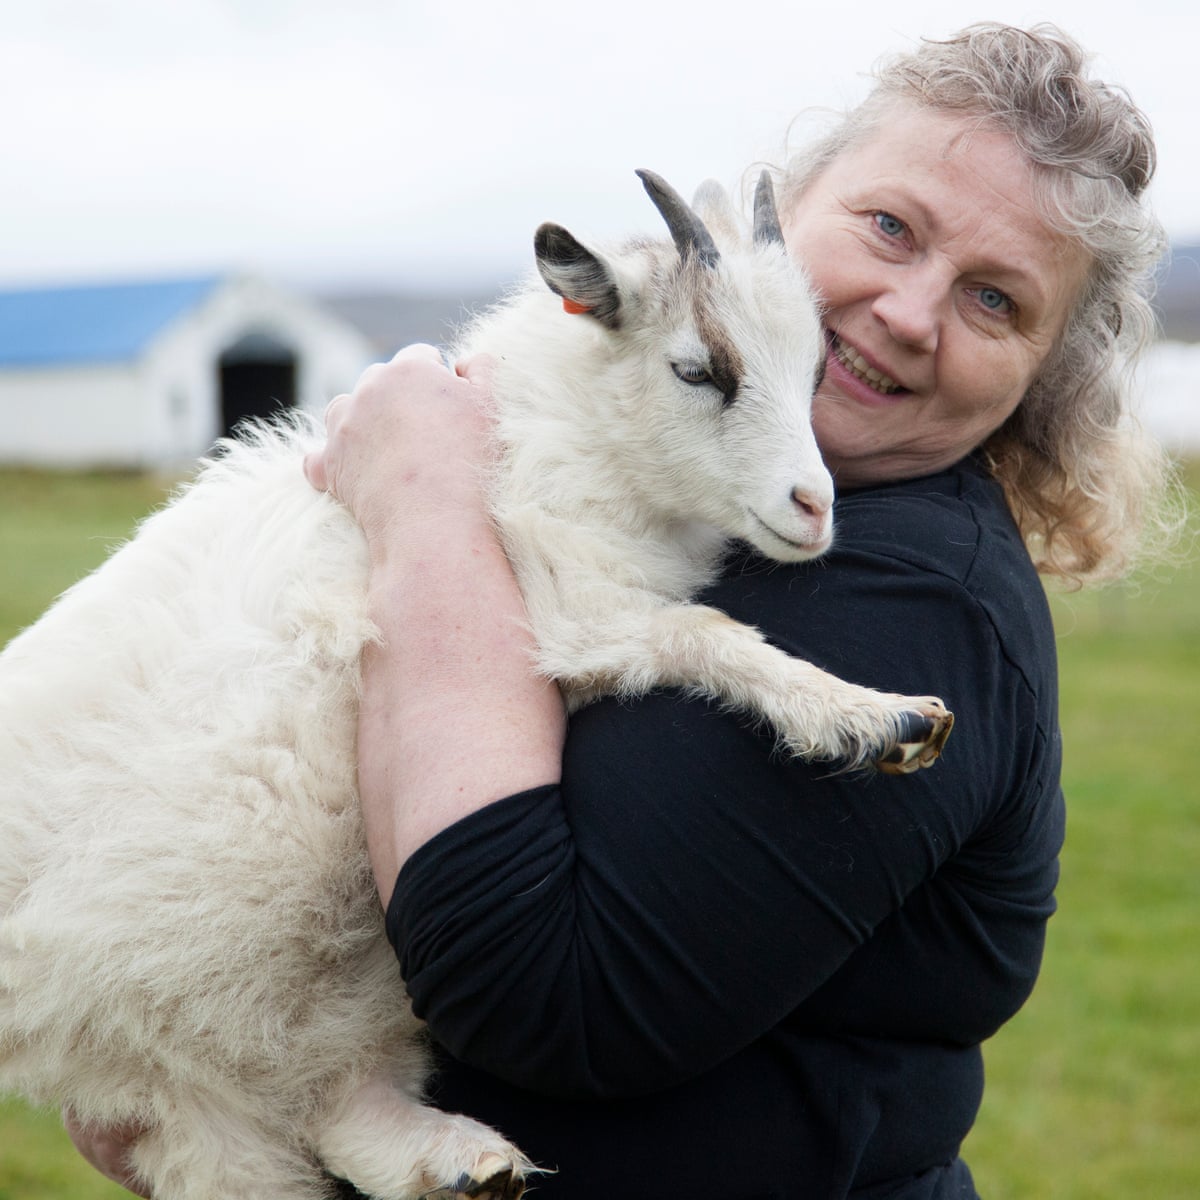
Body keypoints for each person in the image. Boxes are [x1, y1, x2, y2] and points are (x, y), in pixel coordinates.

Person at [68, 21, 1179, 1200]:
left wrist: (424, 503)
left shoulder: (915, 599)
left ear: (1041, 380)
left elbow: (541, 994)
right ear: (787, 212)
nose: (910, 311)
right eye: (890, 227)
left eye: (996, 300)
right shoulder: (687, 497)